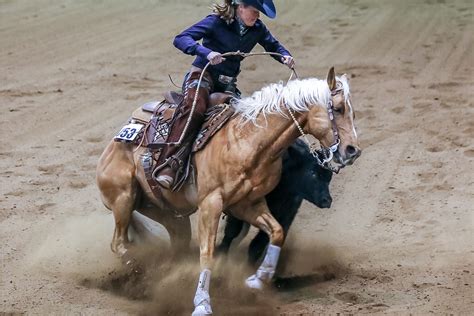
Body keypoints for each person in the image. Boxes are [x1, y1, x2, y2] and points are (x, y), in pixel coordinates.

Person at [156, 0, 295, 189]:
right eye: (254, 11)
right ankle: (169, 163)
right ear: (240, 7)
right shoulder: (216, 22)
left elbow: (273, 45)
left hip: (227, 84)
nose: (257, 16)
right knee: (195, 109)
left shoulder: (257, 28)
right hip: (202, 75)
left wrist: (284, 56)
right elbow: (181, 38)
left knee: (244, 120)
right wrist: (205, 52)